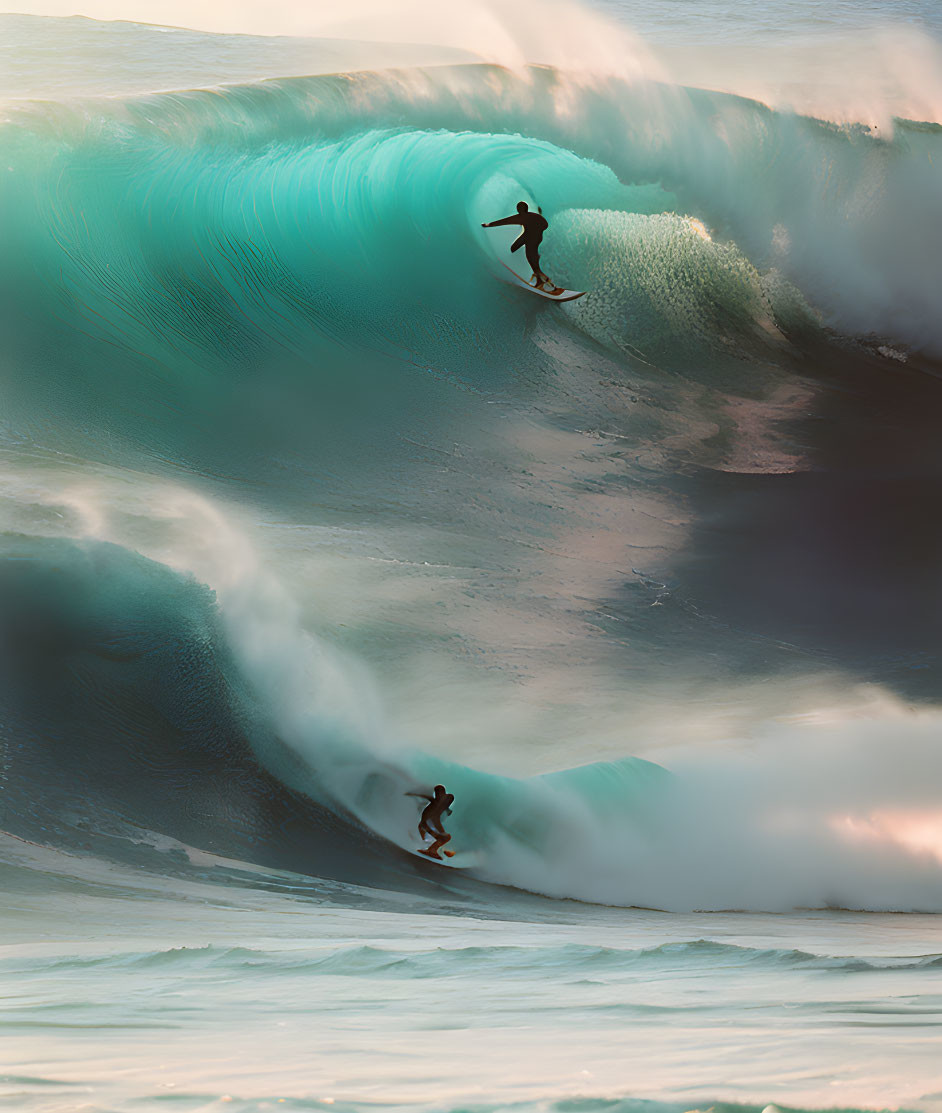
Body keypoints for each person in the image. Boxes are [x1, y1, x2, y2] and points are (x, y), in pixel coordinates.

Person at [482, 201, 552, 289]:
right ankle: (539, 276)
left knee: (530, 257)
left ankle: (542, 279)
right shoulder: (534, 216)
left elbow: (504, 221)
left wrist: (488, 225)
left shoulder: (522, 217)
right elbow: (545, 225)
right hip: (534, 237)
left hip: (531, 239)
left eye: (518, 209)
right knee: (514, 247)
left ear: (519, 210)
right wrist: (537, 230)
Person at [407, 784, 455, 859]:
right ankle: (431, 851)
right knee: (444, 838)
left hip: (425, 825)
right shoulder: (436, 801)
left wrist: (447, 809)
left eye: (439, 792)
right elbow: (434, 818)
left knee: (442, 837)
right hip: (425, 825)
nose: (437, 794)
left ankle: (437, 849)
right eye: (436, 792)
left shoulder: (439, 801)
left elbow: (441, 803)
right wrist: (413, 794)